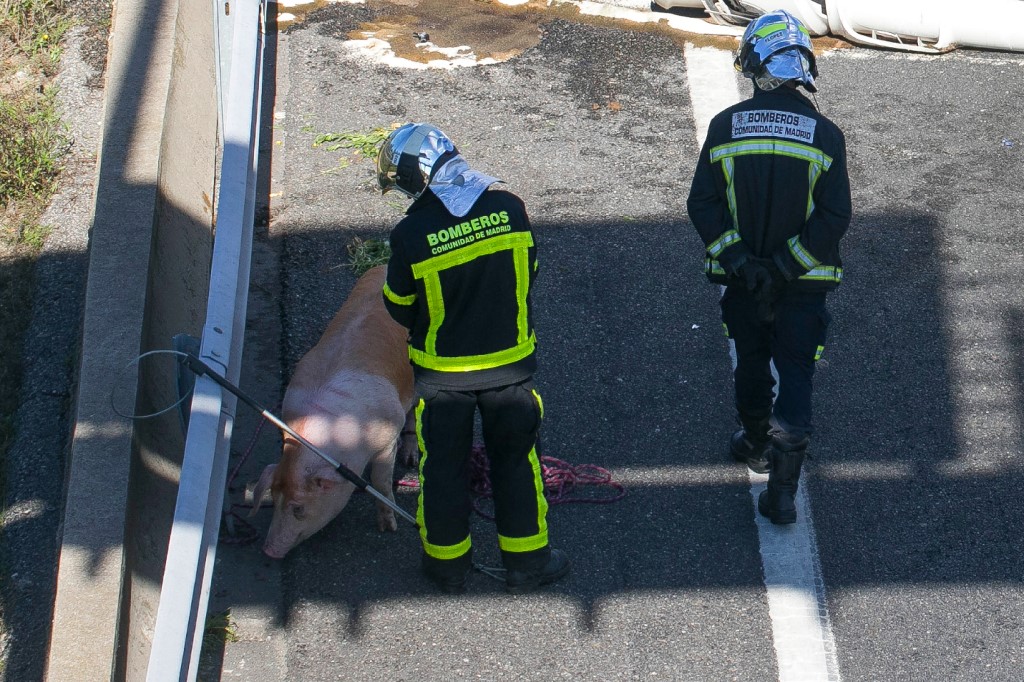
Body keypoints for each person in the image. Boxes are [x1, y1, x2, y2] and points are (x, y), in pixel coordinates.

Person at [376, 122, 570, 593]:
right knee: (517, 463)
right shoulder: (509, 207)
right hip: (511, 366)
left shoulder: (411, 234)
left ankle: (447, 567)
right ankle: (527, 564)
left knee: (443, 469)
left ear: (413, 178)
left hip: (443, 378)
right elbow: (531, 271)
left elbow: (398, 307)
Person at [686, 11, 852, 525]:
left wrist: (742, 261)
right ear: (804, 69)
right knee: (796, 372)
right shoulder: (825, 136)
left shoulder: (724, 127)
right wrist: (785, 267)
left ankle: (755, 442)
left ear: (753, 66)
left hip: (741, 283)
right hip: (802, 288)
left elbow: (704, 204)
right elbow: (834, 216)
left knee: (751, 360)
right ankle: (781, 493)